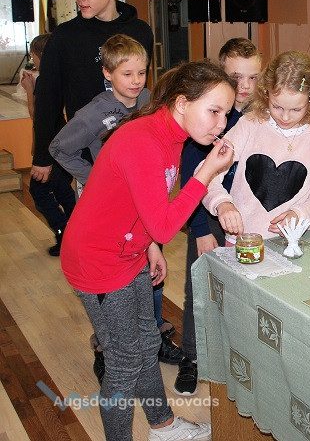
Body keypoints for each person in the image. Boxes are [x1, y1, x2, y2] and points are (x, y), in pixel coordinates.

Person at [60, 61, 236, 441]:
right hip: (98, 262)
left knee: (148, 341)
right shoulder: (143, 140)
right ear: (182, 103)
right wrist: (205, 174)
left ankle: (162, 425)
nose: (221, 124)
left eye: (225, 113)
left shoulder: (171, 134)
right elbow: (164, 224)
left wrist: (150, 245)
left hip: (130, 250)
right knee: (124, 361)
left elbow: (145, 204)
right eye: (214, 111)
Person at [175, 38, 261, 395]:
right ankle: (192, 356)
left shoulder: (259, 117)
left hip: (246, 218)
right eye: (236, 77)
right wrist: (199, 229)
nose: (245, 86)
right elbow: (192, 176)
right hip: (207, 217)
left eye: (253, 77)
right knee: (199, 286)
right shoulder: (208, 118)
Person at [31, 0, 154, 197]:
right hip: (87, 155)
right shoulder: (65, 36)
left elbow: (140, 90)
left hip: (133, 152)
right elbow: (47, 98)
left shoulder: (140, 31)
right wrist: (42, 154)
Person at [202, 49, 310, 246]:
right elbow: (206, 172)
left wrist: (301, 213)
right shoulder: (249, 124)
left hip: (293, 241)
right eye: (277, 107)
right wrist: (222, 203)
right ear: (266, 93)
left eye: (296, 109)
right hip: (242, 240)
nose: (285, 117)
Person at [49, 34, 150, 193]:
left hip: (142, 188)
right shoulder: (93, 113)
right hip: (109, 194)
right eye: (127, 74)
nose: (136, 80)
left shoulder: (149, 99)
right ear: (108, 73)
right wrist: (96, 180)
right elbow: (59, 148)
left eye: (142, 73)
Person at [19, 34, 76, 255]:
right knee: (63, 191)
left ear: (39, 55)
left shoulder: (46, 79)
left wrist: (29, 91)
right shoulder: (60, 75)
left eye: (33, 55)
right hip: (63, 142)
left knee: (40, 192)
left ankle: (65, 233)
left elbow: (38, 116)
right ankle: (74, 233)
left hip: (51, 147)